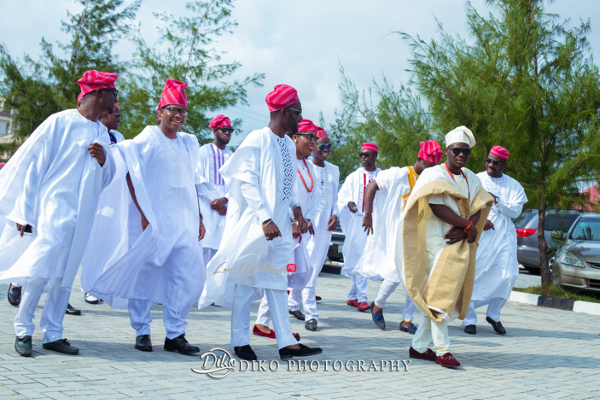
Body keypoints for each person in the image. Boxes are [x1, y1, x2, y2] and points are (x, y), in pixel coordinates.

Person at [81, 78, 205, 355]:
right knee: (145, 274)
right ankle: (142, 331)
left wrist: (199, 217)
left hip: (184, 220)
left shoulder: (189, 143)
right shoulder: (147, 138)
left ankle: (175, 334)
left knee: (184, 274)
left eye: (182, 111)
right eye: (172, 109)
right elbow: (128, 171)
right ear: (159, 112)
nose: (178, 116)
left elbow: (192, 181)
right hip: (153, 221)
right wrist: (144, 213)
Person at [199, 84, 323, 361]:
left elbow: (287, 187)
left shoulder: (287, 146)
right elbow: (246, 182)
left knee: (277, 282)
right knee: (245, 280)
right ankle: (240, 340)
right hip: (258, 225)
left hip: (279, 227)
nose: (300, 119)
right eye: (297, 112)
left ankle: (286, 342)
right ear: (283, 112)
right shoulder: (258, 139)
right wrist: (265, 219)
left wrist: (298, 210)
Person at [0, 70, 117, 357]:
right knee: (41, 269)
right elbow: (32, 167)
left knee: (65, 276)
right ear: (99, 93)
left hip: (83, 214)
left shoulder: (103, 132)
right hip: (53, 210)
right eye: (113, 92)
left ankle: (53, 332)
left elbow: (108, 176)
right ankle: (23, 329)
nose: (116, 98)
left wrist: (104, 160)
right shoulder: (59, 122)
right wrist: (25, 213)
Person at [397, 126, 493, 368]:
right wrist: (468, 226)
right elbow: (437, 207)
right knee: (442, 293)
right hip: (436, 241)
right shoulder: (433, 175)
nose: (462, 155)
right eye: (457, 150)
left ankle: (418, 347)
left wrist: (466, 228)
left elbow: (480, 204)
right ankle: (443, 350)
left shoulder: (472, 177)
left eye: (466, 152)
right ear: (447, 151)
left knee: (439, 295)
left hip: (458, 239)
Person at [358, 140, 443, 332]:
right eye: (429, 166)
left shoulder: (430, 181)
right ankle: (378, 305)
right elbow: (371, 187)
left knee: (419, 278)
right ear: (420, 159)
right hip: (397, 235)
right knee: (396, 274)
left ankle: (406, 321)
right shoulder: (398, 174)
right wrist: (368, 214)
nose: (431, 170)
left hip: (421, 235)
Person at [254, 118, 317, 335]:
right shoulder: (285, 159)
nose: (313, 142)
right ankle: (270, 325)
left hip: (299, 233)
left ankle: (267, 322)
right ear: (295, 138)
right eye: (309, 137)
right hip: (283, 230)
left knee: (291, 275)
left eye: (315, 138)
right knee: (279, 276)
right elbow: (277, 194)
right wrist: (290, 222)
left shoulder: (309, 167)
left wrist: (305, 219)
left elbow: (311, 198)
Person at [463, 146, 527, 335]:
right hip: (482, 235)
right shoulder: (476, 179)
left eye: (495, 162)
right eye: (488, 161)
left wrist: (497, 199)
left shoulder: (514, 185)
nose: (491, 165)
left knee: (508, 275)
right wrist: (480, 219)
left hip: (505, 236)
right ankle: (469, 319)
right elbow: (464, 204)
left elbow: (515, 211)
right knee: (477, 275)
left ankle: (493, 314)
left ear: (504, 164)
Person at [291, 125, 339, 330]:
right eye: (321, 145)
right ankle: (311, 314)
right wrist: (302, 220)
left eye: (329, 145)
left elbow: (336, 197)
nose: (325, 149)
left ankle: (292, 304)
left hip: (324, 227)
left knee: (312, 268)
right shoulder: (305, 166)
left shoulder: (334, 170)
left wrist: (335, 214)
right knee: (306, 268)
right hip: (306, 224)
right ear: (313, 146)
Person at [84, 103, 124, 306]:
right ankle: (88, 288)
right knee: (91, 244)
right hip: (95, 197)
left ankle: (100, 286)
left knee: (107, 244)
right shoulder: (92, 133)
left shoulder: (119, 138)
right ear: (104, 116)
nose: (119, 119)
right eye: (116, 115)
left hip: (113, 198)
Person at [337, 143, 381, 312]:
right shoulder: (355, 176)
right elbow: (343, 196)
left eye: (367, 154)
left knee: (366, 257)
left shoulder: (382, 176)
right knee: (358, 257)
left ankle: (353, 296)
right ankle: (361, 298)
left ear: (375, 156)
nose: (363, 157)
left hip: (375, 223)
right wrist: (349, 203)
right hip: (358, 222)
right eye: (361, 154)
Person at [197, 115, 234, 266]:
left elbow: (236, 183)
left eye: (230, 130)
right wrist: (215, 201)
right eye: (224, 130)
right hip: (207, 211)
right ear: (215, 131)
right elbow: (197, 179)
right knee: (204, 255)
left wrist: (225, 201)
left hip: (226, 211)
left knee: (223, 256)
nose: (228, 133)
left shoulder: (232, 155)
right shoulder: (204, 151)